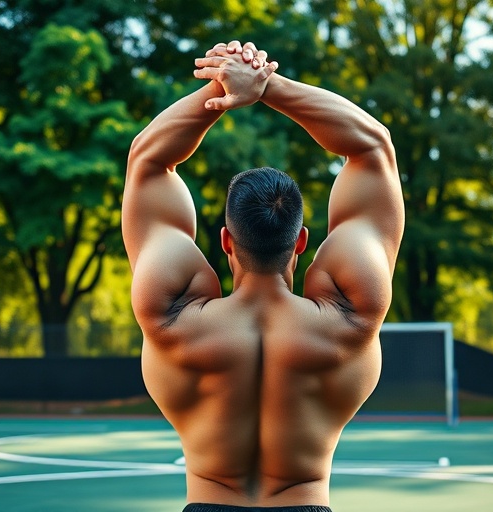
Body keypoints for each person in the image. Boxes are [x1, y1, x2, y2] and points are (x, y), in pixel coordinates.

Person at [122, 40, 404, 512]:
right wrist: (266, 83)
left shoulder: (169, 315)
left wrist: (224, 83)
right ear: (300, 242)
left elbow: (146, 158)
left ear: (226, 242)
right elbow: (373, 145)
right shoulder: (352, 316)